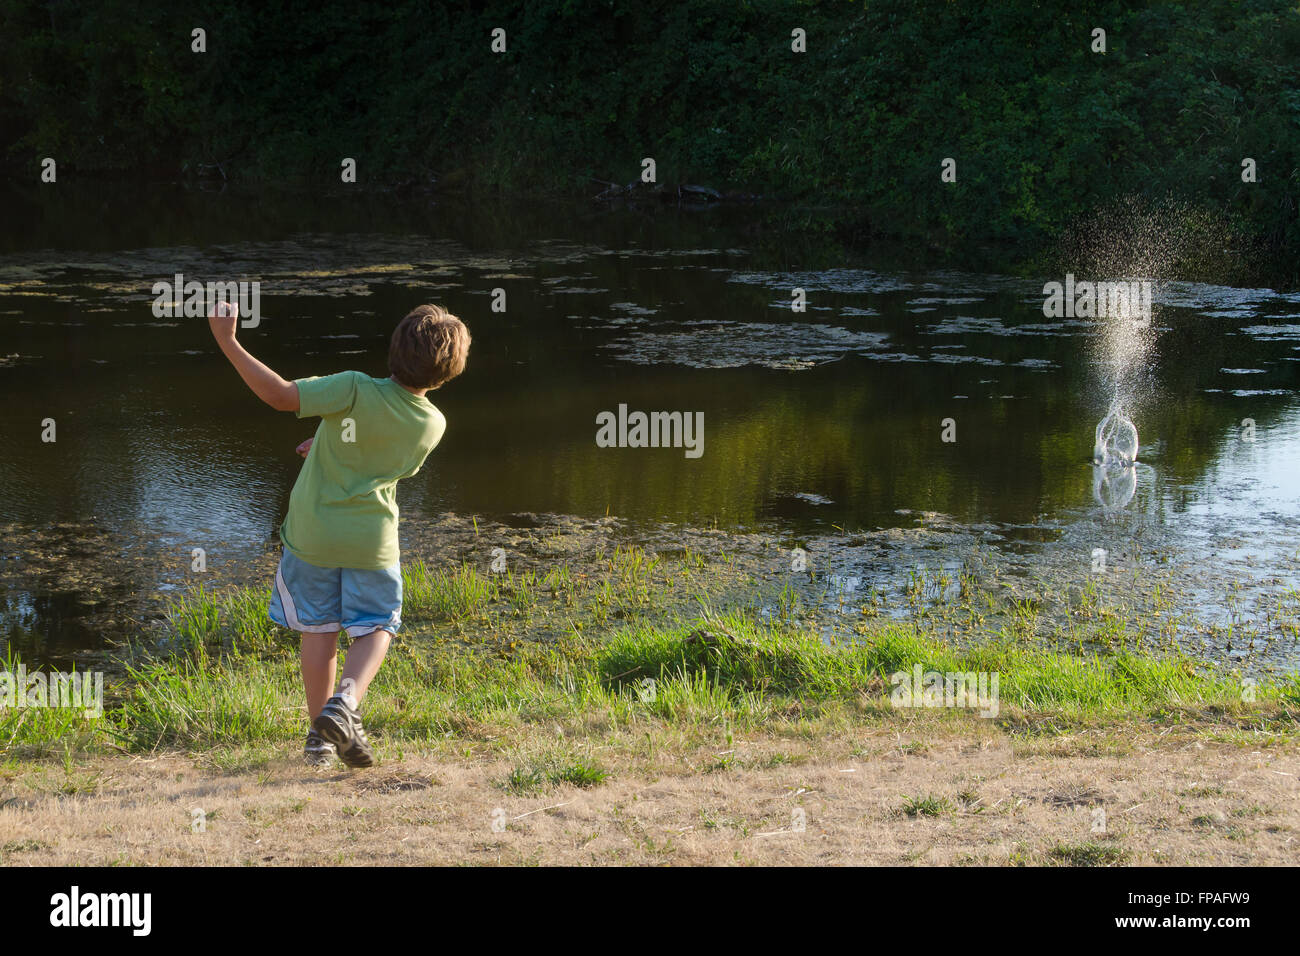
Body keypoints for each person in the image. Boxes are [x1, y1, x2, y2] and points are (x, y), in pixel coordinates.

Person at [208, 300, 470, 767]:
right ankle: (345, 702)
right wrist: (327, 445)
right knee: (377, 625)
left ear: (395, 348)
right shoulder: (433, 424)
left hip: (312, 536)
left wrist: (228, 341)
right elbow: (380, 462)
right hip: (370, 542)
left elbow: (280, 395)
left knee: (319, 629)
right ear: (448, 372)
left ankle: (320, 741)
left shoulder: (352, 388)